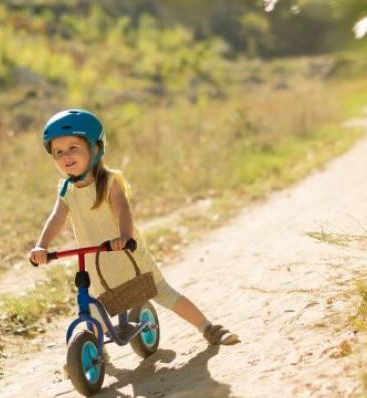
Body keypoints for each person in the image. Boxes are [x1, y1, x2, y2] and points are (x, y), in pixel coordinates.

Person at [28, 109, 239, 348]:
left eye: (73, 147)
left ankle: (209, 329)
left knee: (163, 293)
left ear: (95, 148)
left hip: (126, 253)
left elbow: (123, 210)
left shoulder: (109, 181)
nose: (65, 156)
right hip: (98, 263)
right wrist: (41, 245)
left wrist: (124, 236)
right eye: (58, 152)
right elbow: (56, 217)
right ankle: (92, 354)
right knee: (95, 307)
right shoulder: (66, 190)